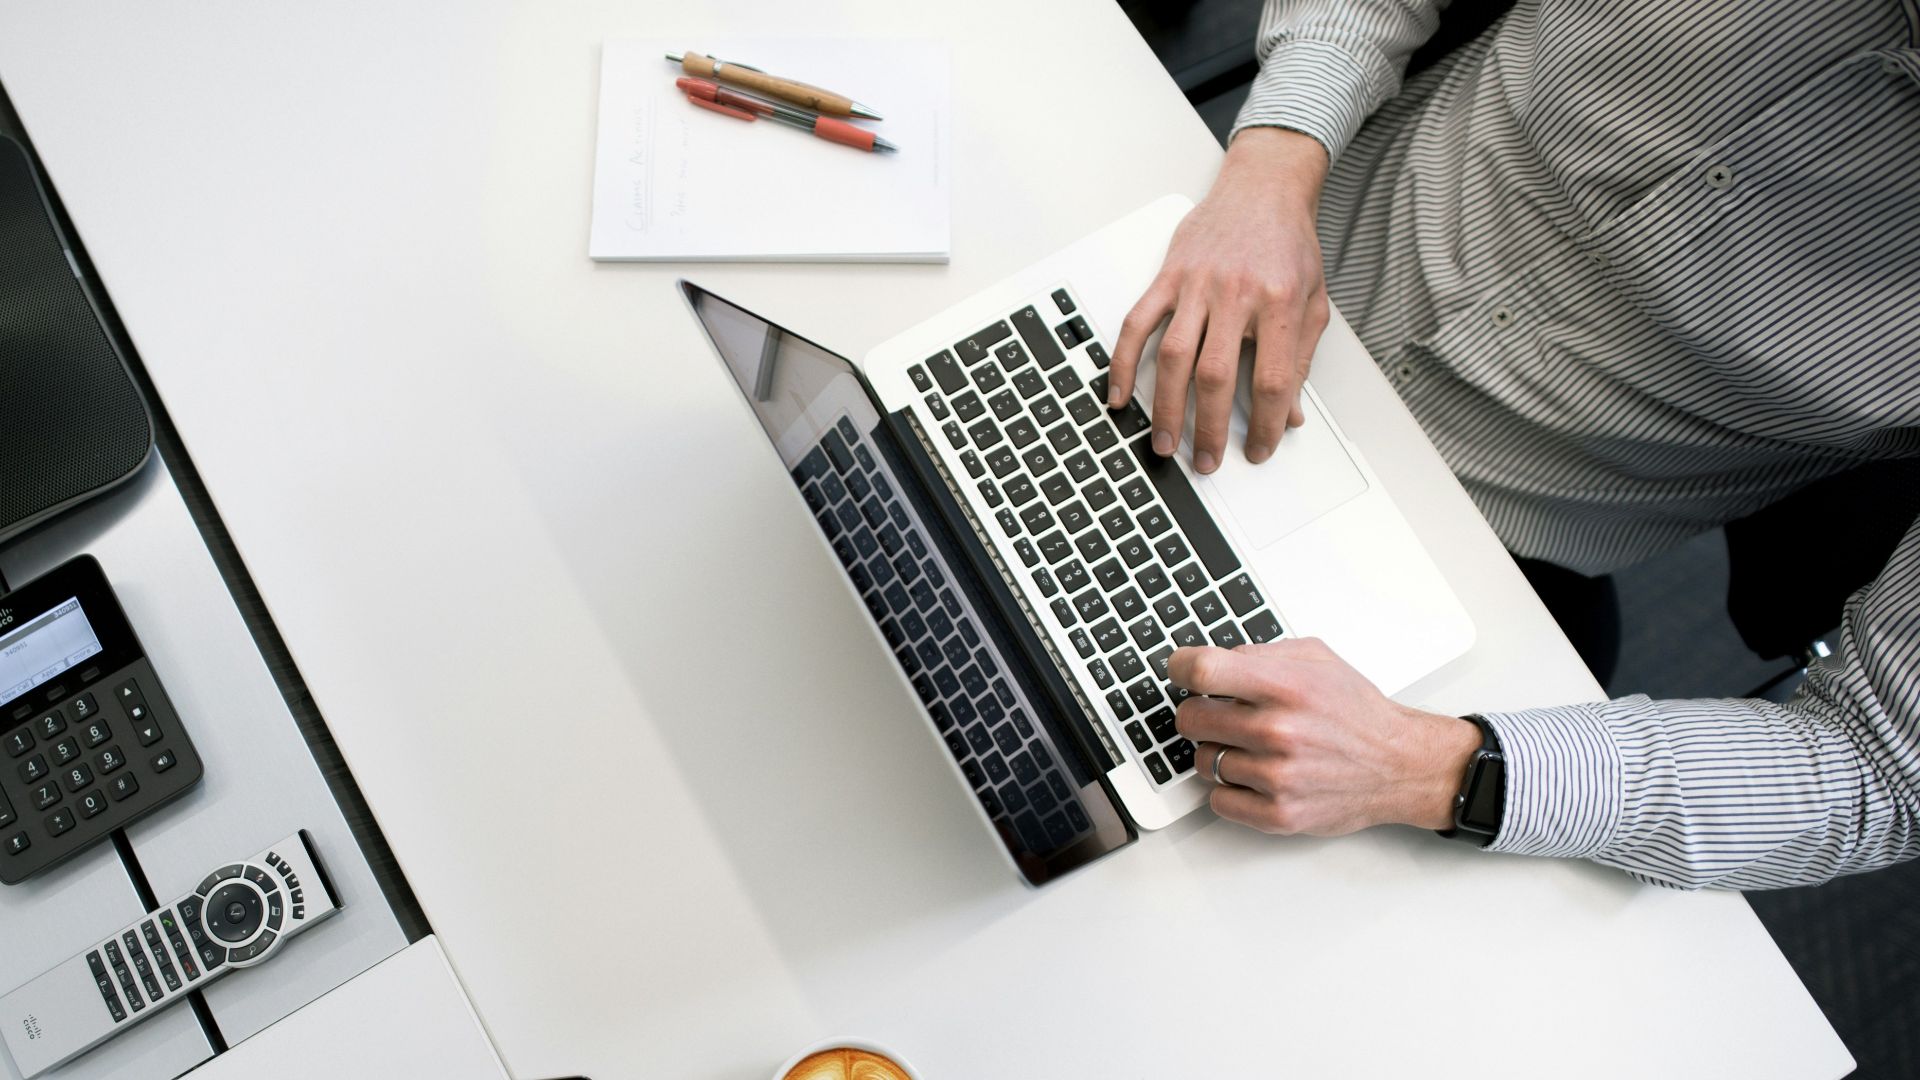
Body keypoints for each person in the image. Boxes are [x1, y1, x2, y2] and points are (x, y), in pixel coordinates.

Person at [1115, 0, 1920, 889]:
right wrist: (1276, 161)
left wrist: (1428, 769)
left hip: (1478, 553)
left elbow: (1880, 770)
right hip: (1244, 246)